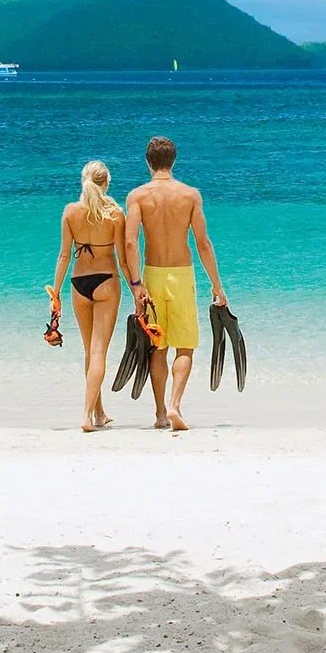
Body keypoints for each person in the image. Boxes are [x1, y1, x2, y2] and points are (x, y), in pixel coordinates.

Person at [123, 135, 228, 434]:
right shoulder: (190, 195)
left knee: (158, 345)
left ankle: (159, 414)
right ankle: (175, 406)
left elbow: (131, 241)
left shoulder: (138, 196)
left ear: (148, 162)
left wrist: (135, 284)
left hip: (153, 275)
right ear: (173, 160)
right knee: (185, 346)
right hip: (182, 274)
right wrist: (217, 285)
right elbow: (203, 243)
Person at [47, 160, 134, 433]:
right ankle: (86, 415)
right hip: (106, 282)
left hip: (78, 283)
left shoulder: (71, 211)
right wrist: (137, 290)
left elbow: (63, 255)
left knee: (89, 350)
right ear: (106, 182)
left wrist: (56, 292)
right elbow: (122, 259)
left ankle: (99, 412)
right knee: (98, 351)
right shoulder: (115, 214)